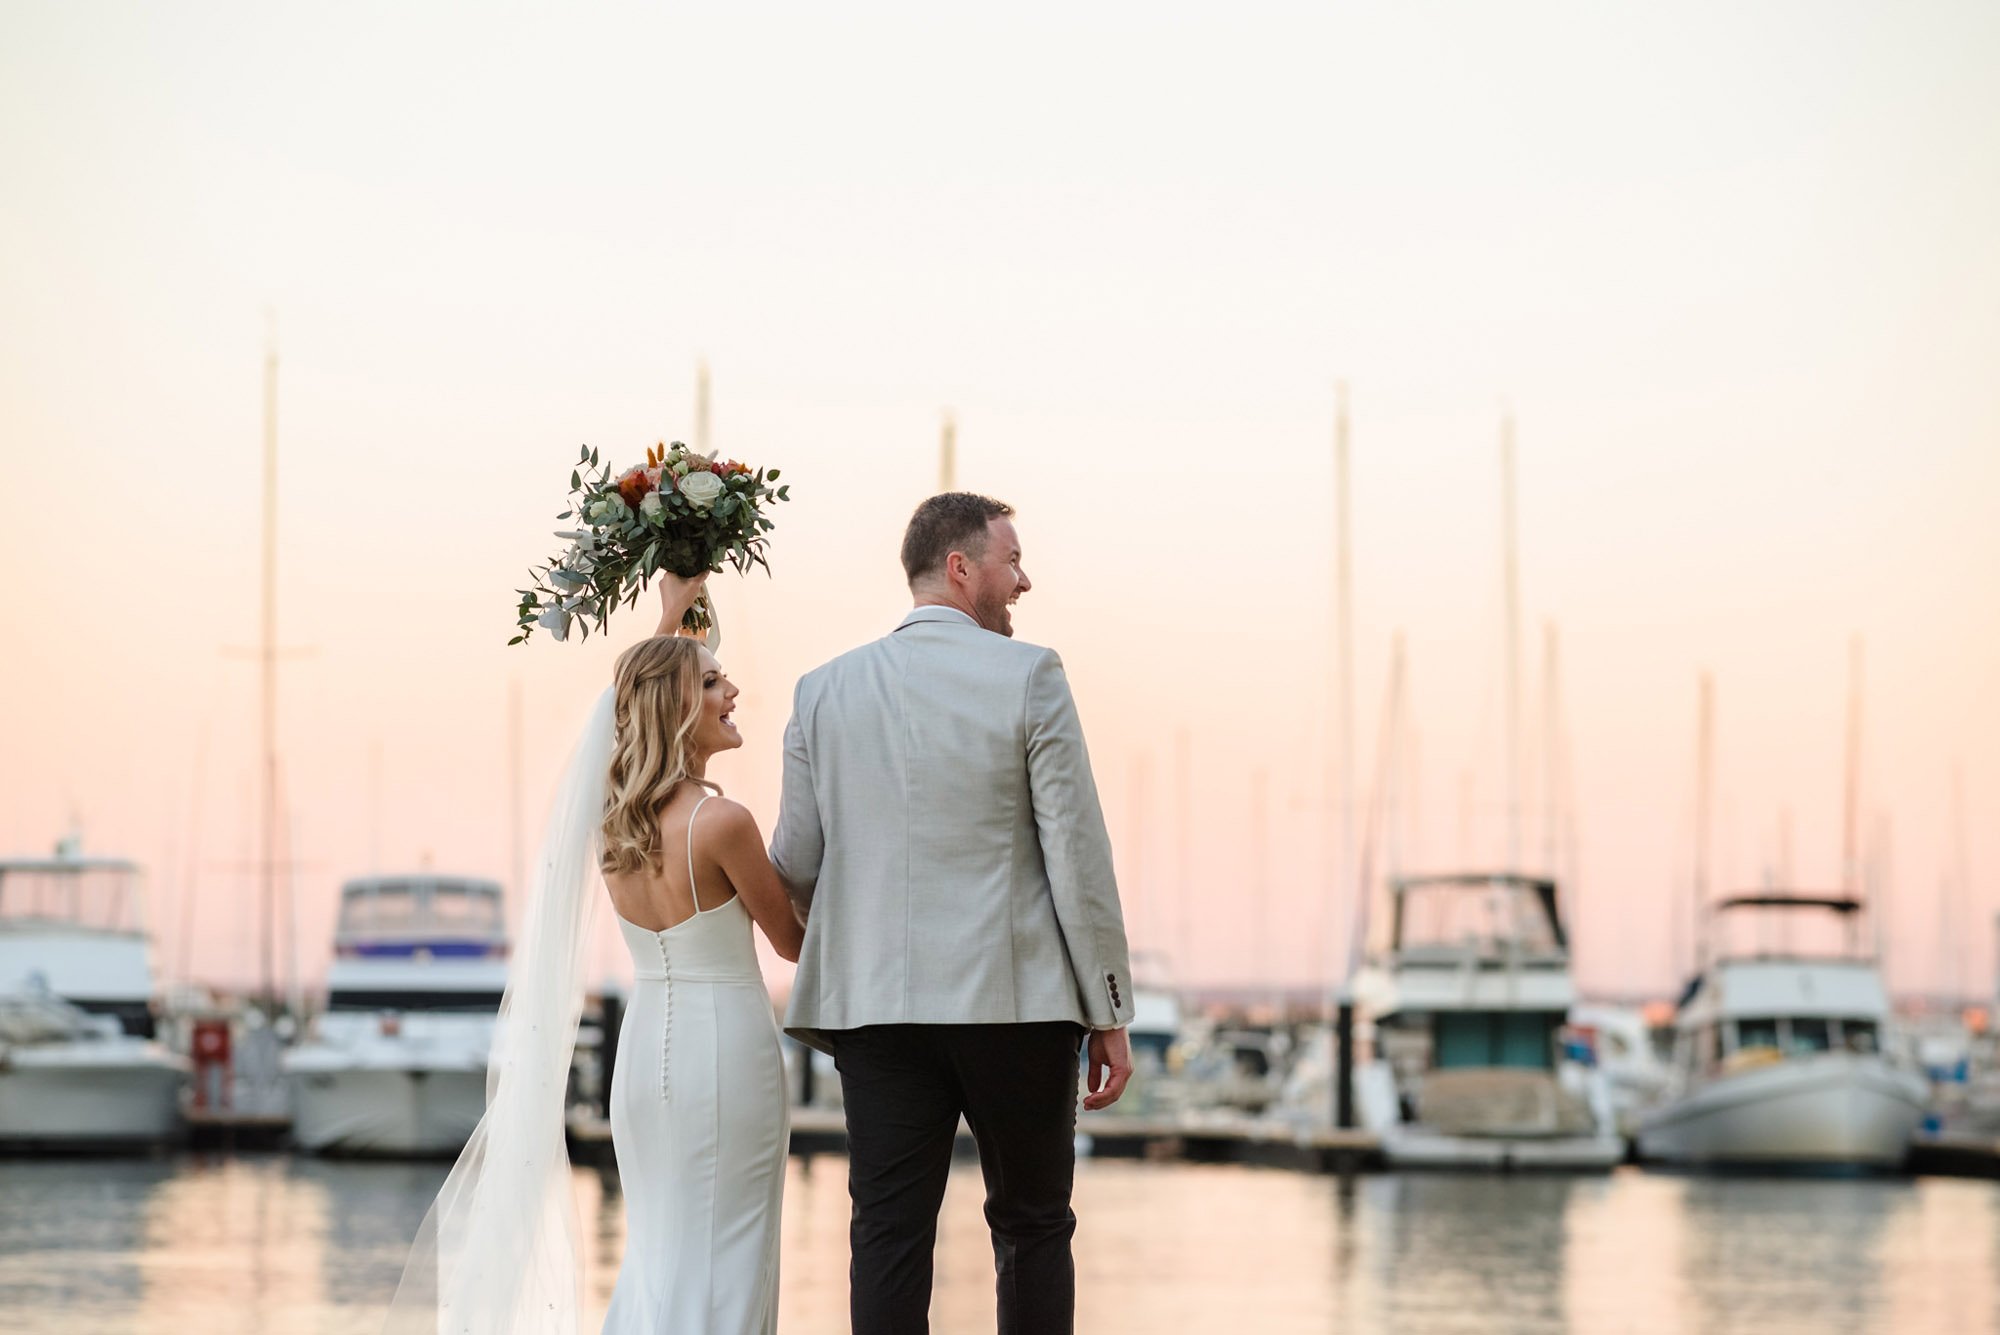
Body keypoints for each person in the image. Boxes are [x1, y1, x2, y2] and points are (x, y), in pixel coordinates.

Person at [387, 573, 802, 1335]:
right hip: (727, 1057)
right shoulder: (722, 823)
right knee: (729, 1252)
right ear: (679, 707)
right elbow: (794, 940)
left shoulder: (615, 825)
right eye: (712, 682)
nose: (732, 688)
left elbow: (639, 690)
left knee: (664, 1255)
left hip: (645, 1063)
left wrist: (673, 617)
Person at [771, 492, 1136, 1335]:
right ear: (962, 567)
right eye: (1013, 562)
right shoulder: (1031, 673)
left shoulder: (821, 690)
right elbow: (1076, 856)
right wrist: (1109, 1010)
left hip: (876, 1014)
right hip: (1014, 1007)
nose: (1025, 580)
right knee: (1032, 1224)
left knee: (887, 1235)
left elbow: (794, 865)